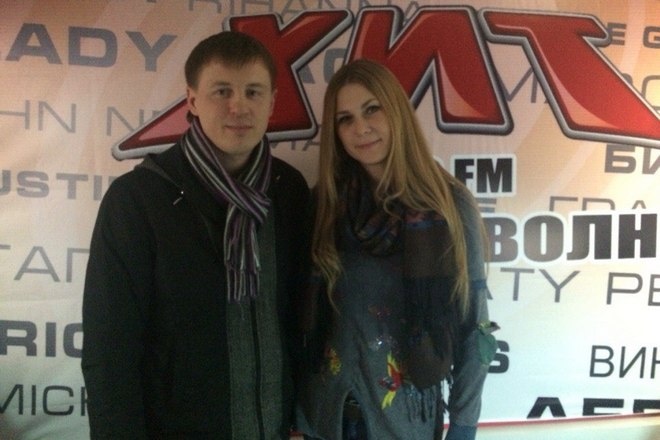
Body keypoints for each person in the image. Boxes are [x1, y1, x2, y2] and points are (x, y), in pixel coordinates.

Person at [81, 31, 310, 439]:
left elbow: (296, 320)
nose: (239, 106)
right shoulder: (138, 199)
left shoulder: (289, 191)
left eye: (253, 92)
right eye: (222, 91)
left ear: (272, 102)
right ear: (192, 100)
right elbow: (109, 351)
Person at [295, 59, 498, 440]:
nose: (361, 128)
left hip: (405, 422)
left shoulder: (448, 204)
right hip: (325, 416)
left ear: (397, 113)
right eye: (345, 119)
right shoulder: (325, 204)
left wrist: (463, 427)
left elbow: (475, 326)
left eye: (372, 109)